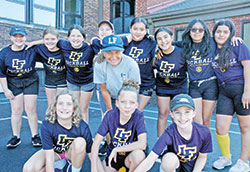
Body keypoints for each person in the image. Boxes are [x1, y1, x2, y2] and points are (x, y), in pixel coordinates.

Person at [134, 94, 213, 172]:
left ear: (194, 113)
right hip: (175, 166)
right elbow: (150, 159)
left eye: (187, 112)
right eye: (178, 112)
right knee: (168, 160)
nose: (183, 117)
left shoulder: (204, 132)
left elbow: (202, 157)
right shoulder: (169, 133)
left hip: (193, 168)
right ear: (172, 114)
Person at [211, 19, 250, 172]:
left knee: (245, 128)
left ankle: (243, 162)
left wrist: (247, 91)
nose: (221, 34)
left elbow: (248, 67)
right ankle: (226, 157)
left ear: (231, 33)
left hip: (241, 89)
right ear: (214, 33)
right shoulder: (211, 47)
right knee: (220, 128)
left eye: (225, 32)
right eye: (218, 31)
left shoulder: (237, 45)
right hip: (224, 91)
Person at [23, 89, 93, 172]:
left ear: (74, 108)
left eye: (69, 104)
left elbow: (92, 153)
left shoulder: (82, 126)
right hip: (55, 153)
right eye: (60, 103)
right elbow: (49, 157)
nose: (64, 107)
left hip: (70, 154)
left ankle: (72, 169)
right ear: (55, 106)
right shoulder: (47, 125)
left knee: (80, 142)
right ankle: (60, 164)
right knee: (29, 169)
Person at [91, 79, 147, 172]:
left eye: (132, 102)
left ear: (136, 105)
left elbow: (142, 144)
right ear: (117, 103)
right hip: (113, 159)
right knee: (92, 152)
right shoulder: (110, 115)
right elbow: (96, 143)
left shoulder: (138, 116)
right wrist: (93, 169)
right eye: (123, 102)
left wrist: (117, 149)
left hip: (129, 158)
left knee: (139, 155)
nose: (127, 106)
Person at [0, 25, 42, 148]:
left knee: (31, 109)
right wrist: (5, 89)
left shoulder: (31, 49)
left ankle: (35, 135)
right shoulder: (4, 53)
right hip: (14, 82)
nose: (18, 39)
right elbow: (1, 74)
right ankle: (16, 137)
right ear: (11, 37)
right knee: (16, 110)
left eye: (21, 36)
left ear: (25, 37)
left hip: (30, 80)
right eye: (15, 36)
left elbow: (48, 40)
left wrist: (33, 42)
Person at [180, 19, 218, 127]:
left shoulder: (212, 42)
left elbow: (226, 40)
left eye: (200, 30)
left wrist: (234, 38)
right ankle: (198, 143)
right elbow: (166, 45)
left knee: (206, 120)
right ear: (189, 31)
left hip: (210, 85)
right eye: (194, 29)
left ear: (205, 31)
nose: (197, 32)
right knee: (197, 121)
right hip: (194, 86)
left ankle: (206, 143)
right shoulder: (184, 44)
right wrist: (158, 50)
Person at [154, 27, 188, 137]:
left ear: (171, 37)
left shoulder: (181, 52)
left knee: (178, 116)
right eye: (159, 39)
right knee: (162, 113)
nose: (163, 41)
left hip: (179, 87)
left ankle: (177, 142)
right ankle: (160, 145)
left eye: (165, 37)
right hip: (163, 86)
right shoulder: (156, 54)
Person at [94, 34, 141, 113]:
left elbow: (133, 89)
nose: (113, 56)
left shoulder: (131, 64)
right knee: (109, 119)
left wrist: (125, 108)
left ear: (122, 51)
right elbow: (103, 89)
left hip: (127, 94)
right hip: (109, 94)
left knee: (129, 119)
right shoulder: (99, 64)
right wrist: (109, 110)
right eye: (109, 52)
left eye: (117, 52)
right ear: (103, 52)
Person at [121, 18, 156, 111]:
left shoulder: (151, 43)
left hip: (146, 84)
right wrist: (124, 41)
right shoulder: (125, 42)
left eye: (141, 29)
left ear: (146, 31)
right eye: (135, 29)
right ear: (130, 29)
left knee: (137, 112)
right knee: (127, 112)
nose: (138, 32)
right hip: (128, 84)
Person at [34, 27, 67, 105]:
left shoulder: (64, 50)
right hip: (49, 81)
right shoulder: (40, 49)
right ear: (43, 40)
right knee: (51, 105)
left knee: (61, 104)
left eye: (53, 39)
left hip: (63, 81)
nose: (50, 41)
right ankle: (51, 118)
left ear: (57, 39)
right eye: (47, 39)